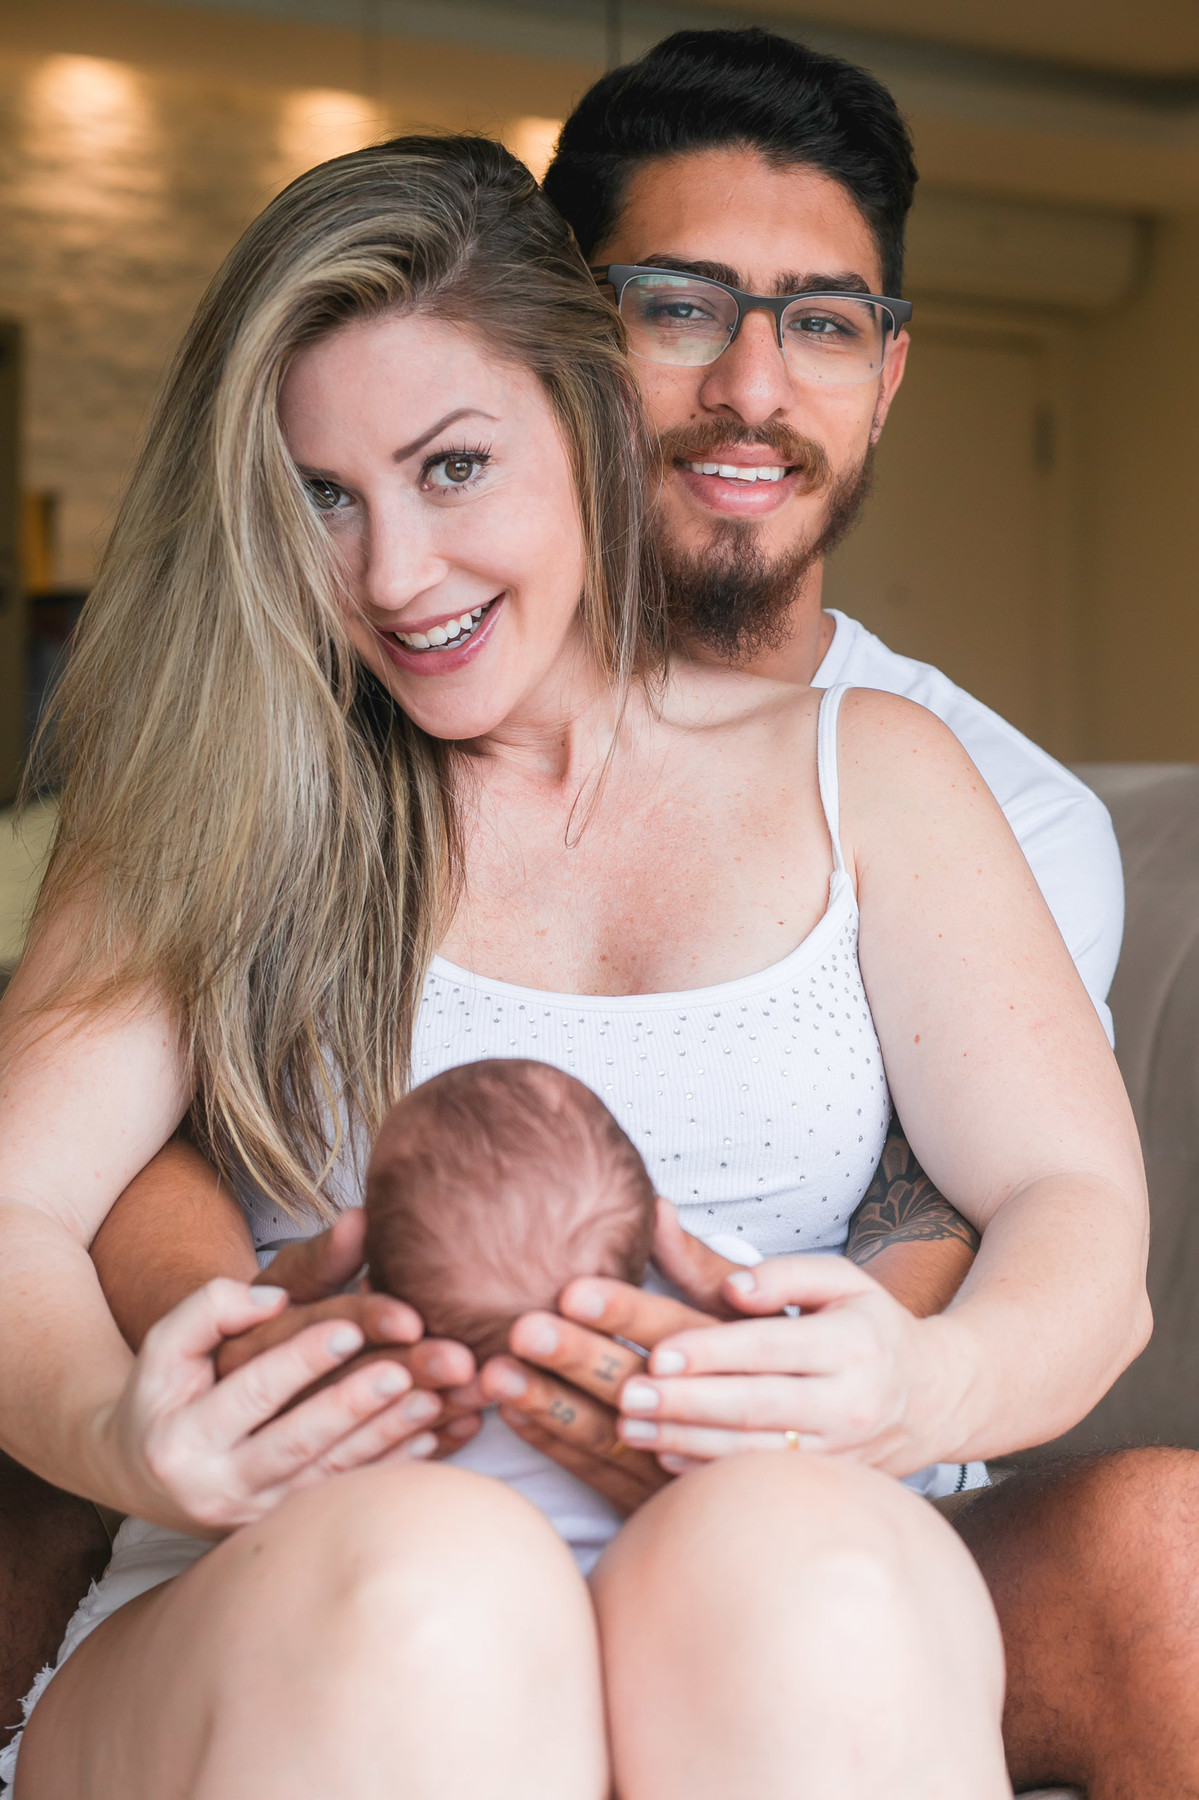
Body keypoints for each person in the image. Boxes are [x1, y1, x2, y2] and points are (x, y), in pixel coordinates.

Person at [0, 131, 1149, 1799]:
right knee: (442, 1595)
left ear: (593, 420)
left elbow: (1076, 1212)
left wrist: (928, 1381)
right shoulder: (220, 802)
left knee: (810, 1581)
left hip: (785, 1563)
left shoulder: (875, 774)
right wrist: (123, 1432)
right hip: (308, 1599)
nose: (395, 575)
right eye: (322, 496)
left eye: (453, 467)